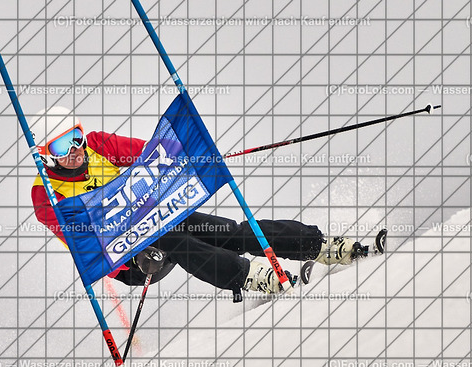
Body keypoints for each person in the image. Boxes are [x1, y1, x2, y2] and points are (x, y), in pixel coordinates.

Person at [30, 106, 359, 298]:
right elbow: (84, 244)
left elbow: (158, 155)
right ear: (46, 156)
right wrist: (133, 259)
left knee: (230, 232)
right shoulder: (47, 196)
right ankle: (250, 276)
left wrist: (192, 157)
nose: (74, 150)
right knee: (176, 241)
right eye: (61, 146)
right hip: (132, 257)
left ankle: (317, 245)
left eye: (75, 137)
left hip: (158, 217)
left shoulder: (98, 144)